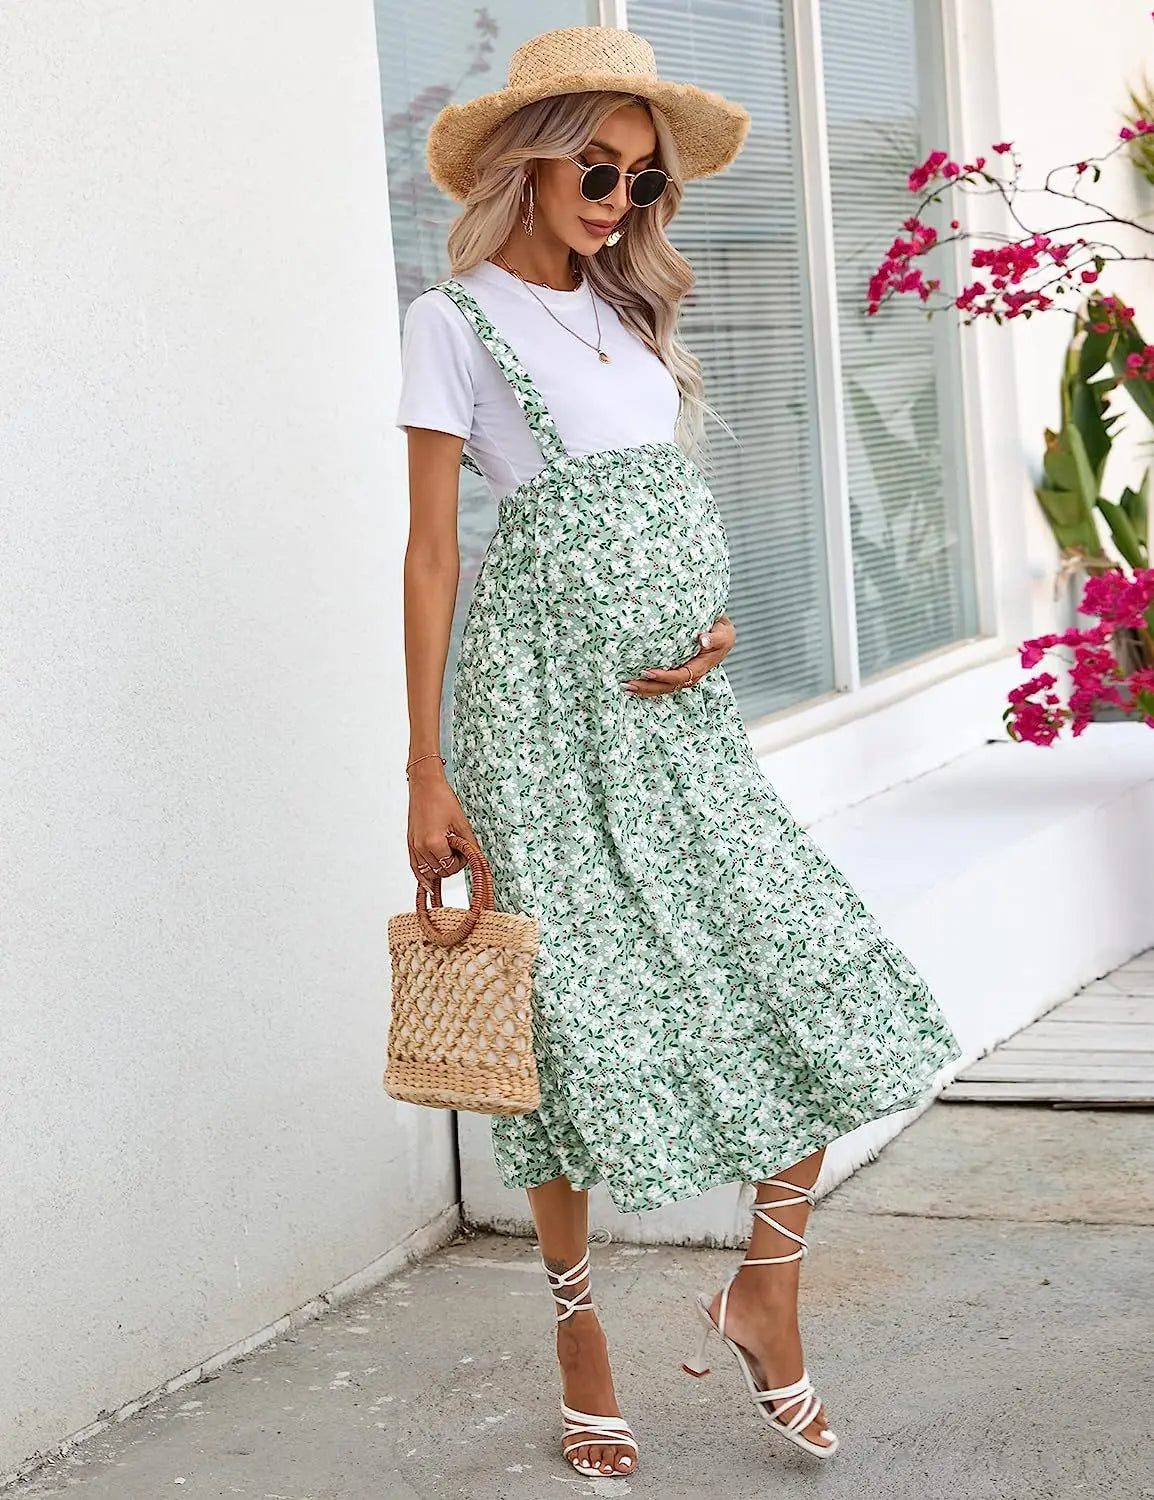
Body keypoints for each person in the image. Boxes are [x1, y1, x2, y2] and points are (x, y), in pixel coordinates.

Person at [396, 24, 961, 1479]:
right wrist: (425, 769)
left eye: (642, 184)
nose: (618, 201)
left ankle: (763, 1290)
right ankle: (578, 1329)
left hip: (681, 717)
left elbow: (651, 503)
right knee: (569, 1035)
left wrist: (708, 623)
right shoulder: (451, 324)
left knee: (817, 978)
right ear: (532, 160)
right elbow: (434, 555)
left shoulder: (629, 314)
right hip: (537, 725)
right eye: (598, 168)